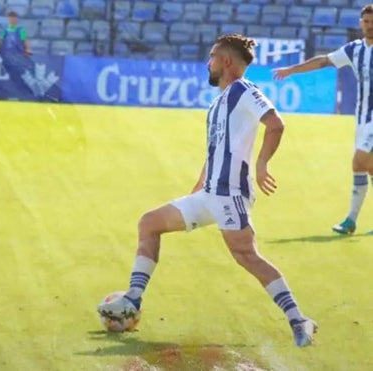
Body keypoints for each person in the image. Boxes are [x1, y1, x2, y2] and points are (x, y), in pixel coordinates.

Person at [97, 34, 317, 347]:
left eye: (212, 56)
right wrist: (194, 193)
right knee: (150, 223)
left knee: (246, 256)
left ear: (226, 61)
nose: (208, 62)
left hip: (230, 195)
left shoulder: (243, 90)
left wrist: (262, 164)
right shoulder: (218, 103)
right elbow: (214, 152)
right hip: (209, 194)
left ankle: (299, 319)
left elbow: (276, 124)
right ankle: (132, 299)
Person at [273, 4, 373, 235]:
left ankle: (350, 220)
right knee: (369, 167)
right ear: (360, 23)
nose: (370, 26)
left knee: (358, 162)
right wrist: (291, 70)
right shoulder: (354, 50)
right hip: (362, 116)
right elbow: (323, 61)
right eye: (366, 21)